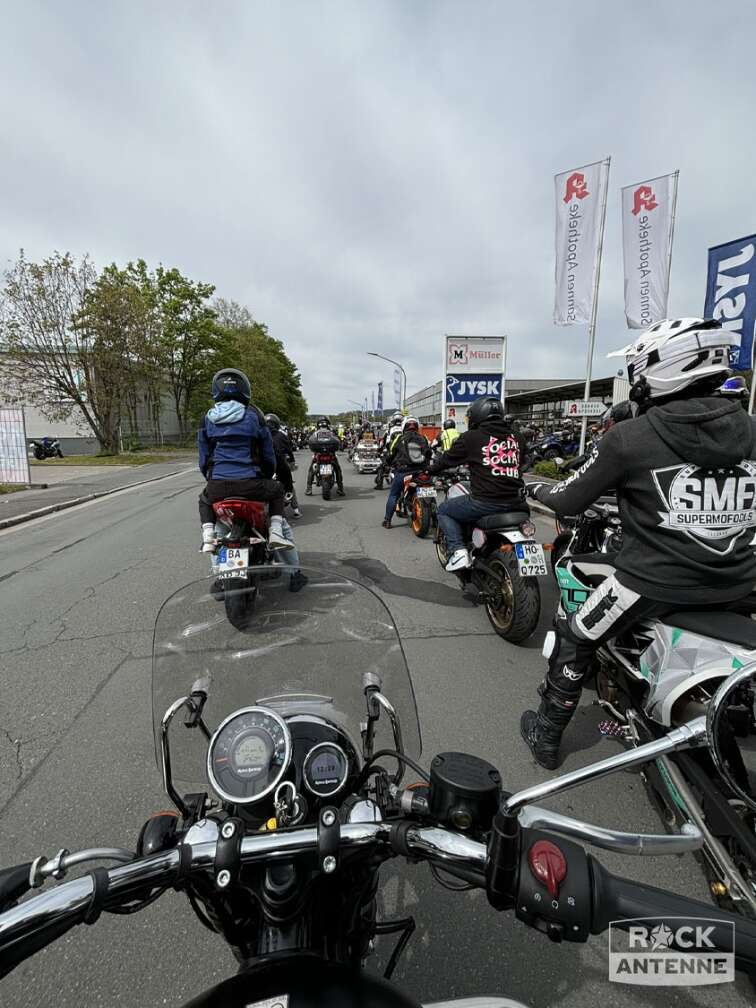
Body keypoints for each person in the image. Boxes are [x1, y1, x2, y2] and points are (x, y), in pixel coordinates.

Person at [521, 317, 756, 770]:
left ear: (661, 369)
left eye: (639, 369)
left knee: (577, 632)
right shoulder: (750, 428)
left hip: (652, 581)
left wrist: (535, 490)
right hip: (738, 580)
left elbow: (570, 498)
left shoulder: (631, 437)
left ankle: (546, 737)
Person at [197, 369, 294, 552]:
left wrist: (212, 479)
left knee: (208, 507)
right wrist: (264, 476)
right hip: (252, 485)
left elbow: (203, 458)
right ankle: (276, 534)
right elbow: (268, 455)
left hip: (217, 486)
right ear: (245, 389)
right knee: (277, 491)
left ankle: (208, 538)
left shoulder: (207, 418)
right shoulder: (254, 415)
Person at [427, 397, 526, 571]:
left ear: (477, 415)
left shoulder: (471, 437)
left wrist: (430, 470)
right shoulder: (517, 437)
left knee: (444, 510)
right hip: (518, 502)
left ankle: (458, 551)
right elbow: (523, 462)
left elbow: (446, 460)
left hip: (486, 502)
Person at [381, 417, 430, 528]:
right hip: (421, 471)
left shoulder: (399, 438)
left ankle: (387, 520)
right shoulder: (423, 438)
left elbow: (391, 453)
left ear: (404, 427)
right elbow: (429, 453)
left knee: (393, 494)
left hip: (403, 471)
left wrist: (386, 462)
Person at [264, 413, 301, 518]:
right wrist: (292, 461)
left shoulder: (261, 435)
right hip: (279, 465)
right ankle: (296, 509)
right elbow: (289, 450)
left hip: (264, 467)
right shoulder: (281, 435)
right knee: (289, 483)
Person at [305, 417, 345, 496]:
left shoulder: (315, 432)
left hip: (319, 454)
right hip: (330, 454)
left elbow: (308, 439)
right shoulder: (331, 432)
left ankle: (309, 488)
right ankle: (340, 488)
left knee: (311, 470)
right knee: (337, 469)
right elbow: (338, 439)